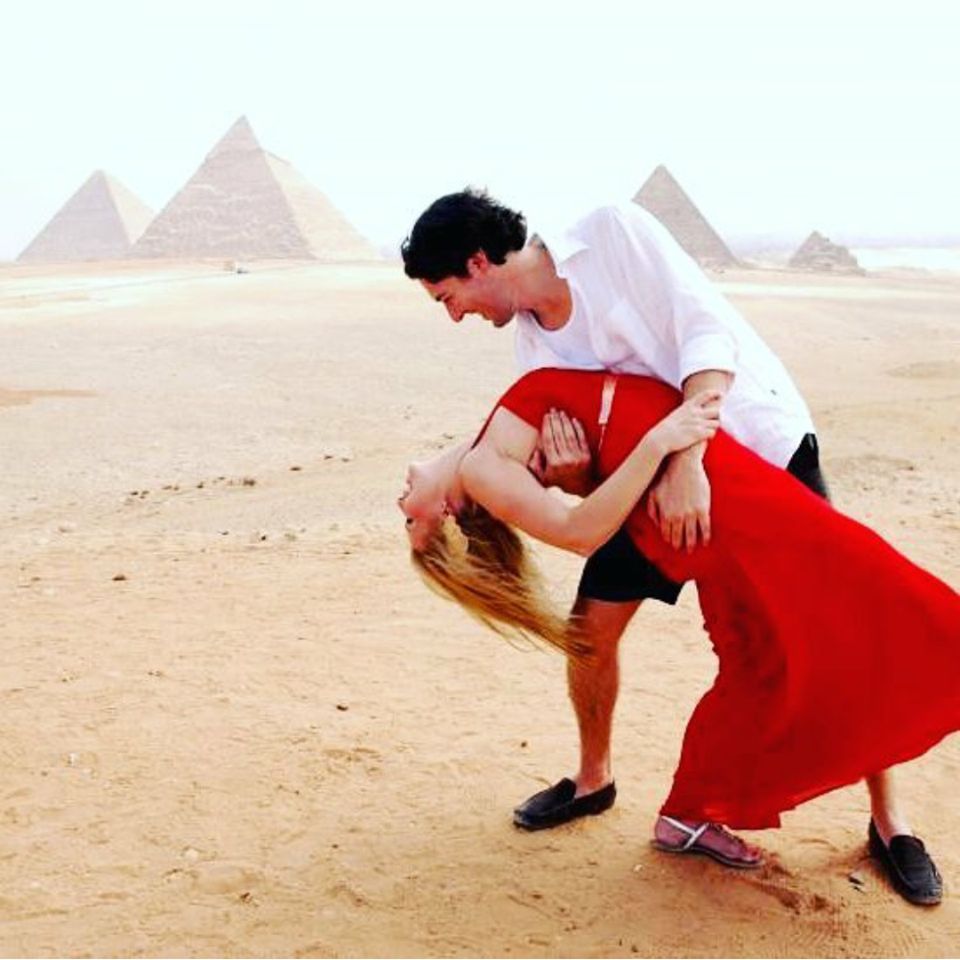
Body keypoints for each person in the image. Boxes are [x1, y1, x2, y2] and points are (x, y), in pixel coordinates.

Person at [401, 189, 945, 902]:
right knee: (590, 632)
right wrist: (574, 474)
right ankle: (593, 779)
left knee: (841, 618)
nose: (454, 316)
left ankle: (890, 821)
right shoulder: (534, 348)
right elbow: (588, 476)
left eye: (448, 297)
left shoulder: (610, 234)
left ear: (477, 262)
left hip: (755, 449)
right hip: (651, 496)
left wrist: (687, 461)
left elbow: (705, 333)